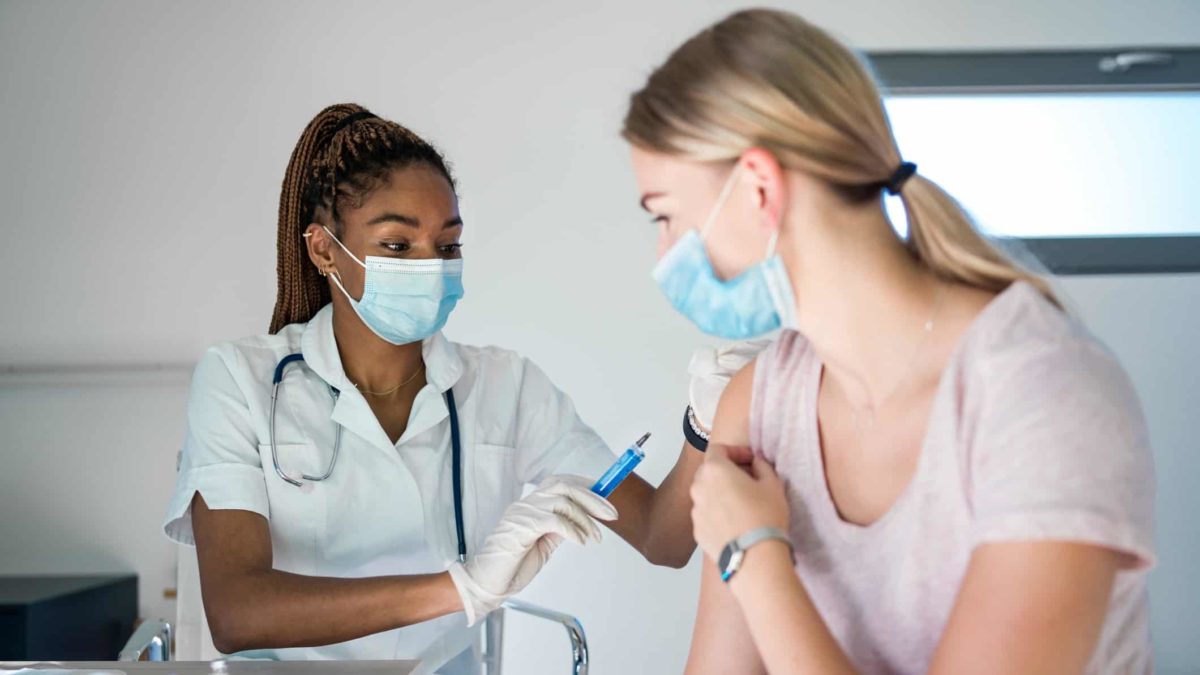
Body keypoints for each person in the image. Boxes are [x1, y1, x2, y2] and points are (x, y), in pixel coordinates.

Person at [622, 10, 1155, 674]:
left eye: (666, 215)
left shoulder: (1043, 395)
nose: (663, 254)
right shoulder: (757, 403)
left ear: (759, 187)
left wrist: (754, 553)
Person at [162, 103, 718, 671]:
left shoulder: (506, 386)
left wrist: (705, 423)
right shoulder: (239, 379)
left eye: (447, 246)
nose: (431, 266)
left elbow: (662, 539)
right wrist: (463, 587)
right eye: (398, 246)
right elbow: (237, 613)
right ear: (324, 248)